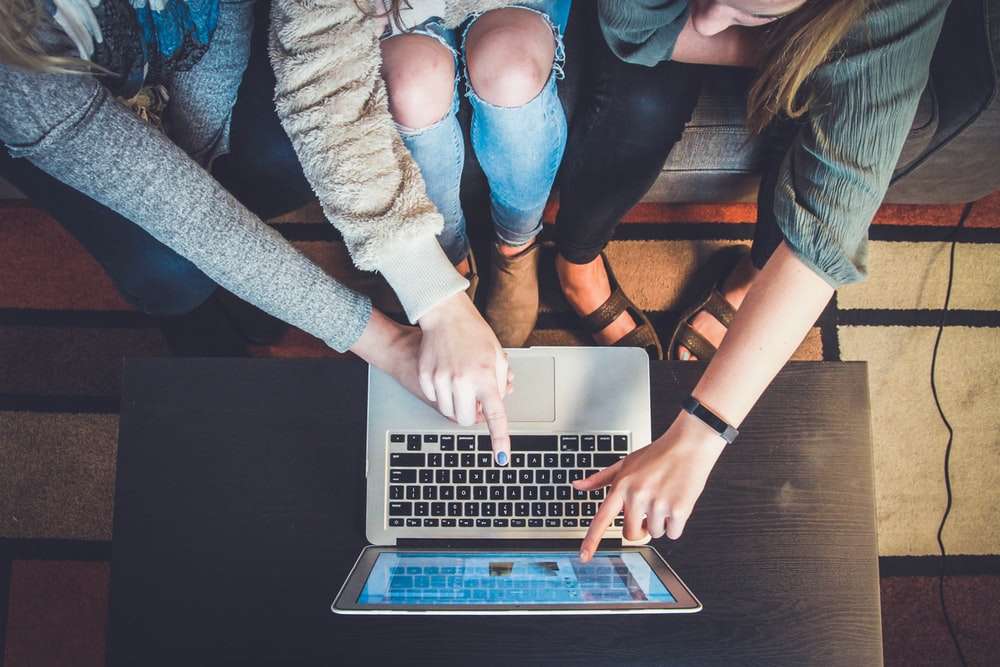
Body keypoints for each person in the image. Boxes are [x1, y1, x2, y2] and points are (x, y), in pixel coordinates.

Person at [0, 0, 513, 461]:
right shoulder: (16, 68)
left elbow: (220, 26)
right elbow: (183, 212)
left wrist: (200, 164)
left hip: (190, 67)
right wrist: (393, 341)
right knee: (166, 269)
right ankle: (200, 310)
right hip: (67, 126)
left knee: (281, 164)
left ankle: (248, 275)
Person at [556, 0, 949, 560]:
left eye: (748, 8)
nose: (713, 17)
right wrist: (797, 48)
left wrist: (701, 432)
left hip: (820, 26)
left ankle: (752, 276)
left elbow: (826, 228)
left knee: (831, 137)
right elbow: (631, 28)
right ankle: (575, 262)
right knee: (642, 104)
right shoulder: (714, 14)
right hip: (657, 21)